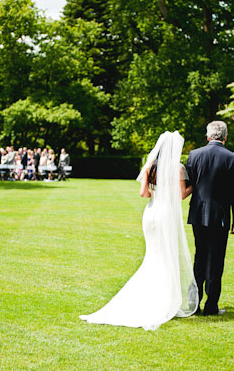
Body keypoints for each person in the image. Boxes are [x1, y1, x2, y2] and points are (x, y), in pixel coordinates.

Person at [80, 131, 198, 330]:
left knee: (153, 255)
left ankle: (150, 297)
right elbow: (180, 196)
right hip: (166, 215)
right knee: (165, 257)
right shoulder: (177, 169)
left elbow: (144, 193)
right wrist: (194, 186)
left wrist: (157, 191)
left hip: (151, 213)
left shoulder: (150, 167)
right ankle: (162, 300)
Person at [185, 121, 234, 316]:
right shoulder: (232, 158)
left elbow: (188, 185)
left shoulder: (194, 155)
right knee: (216, 260)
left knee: (199, 257)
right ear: (225, 137)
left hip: (198, 214)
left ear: (208, 136)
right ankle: (211, 305)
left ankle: (195, 303)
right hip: (220, 217)